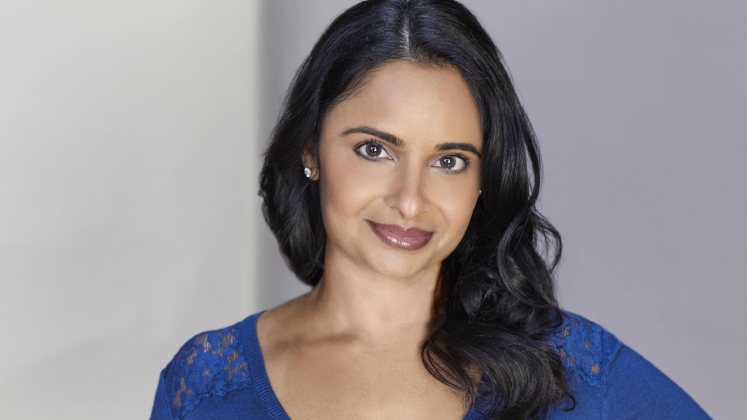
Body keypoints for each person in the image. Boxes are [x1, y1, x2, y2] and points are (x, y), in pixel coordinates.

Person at [149, 1, 710, 419]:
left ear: (485, 180)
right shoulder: (204, 388)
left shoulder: (573, 372)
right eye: (375, 150)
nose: (410, 200)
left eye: (450, 161)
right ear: (310, 151)